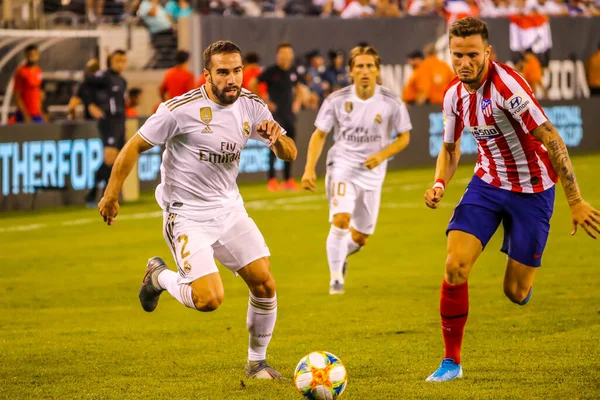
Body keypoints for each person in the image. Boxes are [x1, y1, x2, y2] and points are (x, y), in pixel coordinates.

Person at [97, 40, 297, 380]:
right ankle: (157, 277)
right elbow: (134, 146)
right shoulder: (179, 109)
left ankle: (257, 364)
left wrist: (277, 138)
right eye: (223, 72)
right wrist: (111, 194)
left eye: (237, 71)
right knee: (209, 299)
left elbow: (289, 154)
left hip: (229, 209)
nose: (232, 79)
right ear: (207, 75)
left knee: (264, 283)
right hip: (186, 214)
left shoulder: (251, 105)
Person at [423, 17, 600, 382]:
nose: (464, 63)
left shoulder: (508, 87)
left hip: (533, 191)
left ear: (487, 52)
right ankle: (451, 363)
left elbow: (552, 138)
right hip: (487, 185)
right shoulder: (454, 95)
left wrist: (576, 200)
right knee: (454, 266)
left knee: (515, 292)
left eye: (472, 54)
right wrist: (440, 182)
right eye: (458, 55)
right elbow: (450, 149)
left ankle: (523, 285)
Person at [301, 45, 412, 295]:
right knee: (341, 219)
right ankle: (336, 280)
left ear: (377, 70)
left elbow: (404, 137)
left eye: (369, 66)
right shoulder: (336, 100)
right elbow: (319, 135)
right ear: (350, 71)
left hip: (373, 172)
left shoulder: (391, 102)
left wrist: (382, 155)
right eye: (359, 66)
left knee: (360, 238)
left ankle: (342, 254)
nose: (365, 71)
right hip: (342, 166)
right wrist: (309, 169)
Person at [250, 42, 304, 192]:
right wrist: (265, 101)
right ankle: (272, 180)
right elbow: (253, 82)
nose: (285, 56)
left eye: (288, 53)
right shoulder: (271, 71)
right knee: (272, 146)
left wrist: (297, 102)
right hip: (275, 116)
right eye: (282, 53)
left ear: (291, 55)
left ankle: (287, 180)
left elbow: (301, 88)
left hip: (289, 114)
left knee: (289, 146)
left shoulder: (293, 72)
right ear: (277, 55)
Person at [83, 50, 128, 207]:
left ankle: (105, 194)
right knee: (109, 159)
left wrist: (124, 126)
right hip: (108, 121)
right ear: (111, 61)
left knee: (116, 161)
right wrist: (90, 105)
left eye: (123, 61)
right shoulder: (103, 77)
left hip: (120, 122)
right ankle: (92, 193)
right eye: (117, 61)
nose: (121, 64)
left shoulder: (122, 81)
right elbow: (84, 85)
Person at [13, 44, 46, 123]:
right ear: (26, 56)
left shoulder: (38, 71)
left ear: (38, 55)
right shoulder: (21, 71)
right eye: (29, 55)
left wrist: (41, 112)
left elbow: (39, 93)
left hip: (36, 113)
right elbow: (17, 95)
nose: (31, 57)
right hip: (24, 114)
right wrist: (25, 114)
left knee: (42, 134)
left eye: (34, 55)